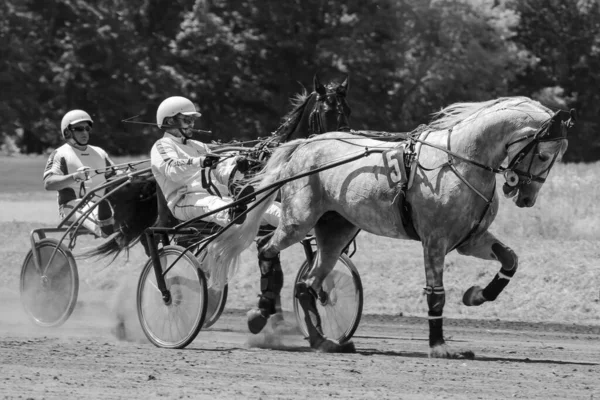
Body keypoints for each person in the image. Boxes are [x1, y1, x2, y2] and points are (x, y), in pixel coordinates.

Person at [150, 96, 283, 333]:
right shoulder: (162, 146)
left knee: (264, 204)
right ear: (169, 120)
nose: (191, 124)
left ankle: (294, 222)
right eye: (186, 119)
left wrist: (235, 166)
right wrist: (201, 162)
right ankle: (238, 212)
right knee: (217, 205)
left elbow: (219, 169)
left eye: (192, 120)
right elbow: (171, 170)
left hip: (216, 199)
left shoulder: (199, 145)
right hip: (183, 201)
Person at [43, 109, 116, 238]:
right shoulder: (60, 154)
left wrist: (129, 173)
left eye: (87, 128)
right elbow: (49, 183)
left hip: (101, 203)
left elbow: (115, 175)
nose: (85, 132)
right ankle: (105, 225)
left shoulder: (100, 152)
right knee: (103, 217)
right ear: (67, 132)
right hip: (72, 207)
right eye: (79, 128)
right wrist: (74, 177)